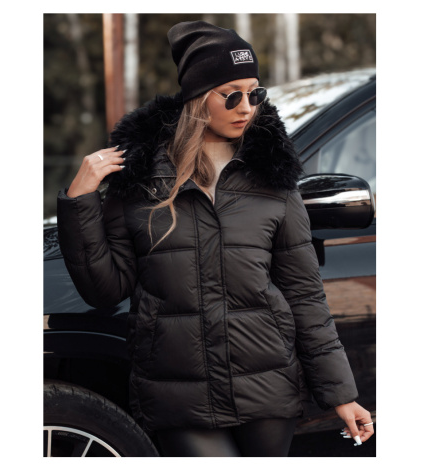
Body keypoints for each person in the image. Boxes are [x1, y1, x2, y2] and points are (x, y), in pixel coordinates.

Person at [57, 20, 374, 457]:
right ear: (198, 97)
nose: (246, 108)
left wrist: (341, 394)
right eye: (231, 95)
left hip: (267, 388)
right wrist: (80, 201)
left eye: (255, 94)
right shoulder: (140, 181)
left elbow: (304, 297)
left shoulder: (273, 180)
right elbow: (104, 289)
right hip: (177, 392)